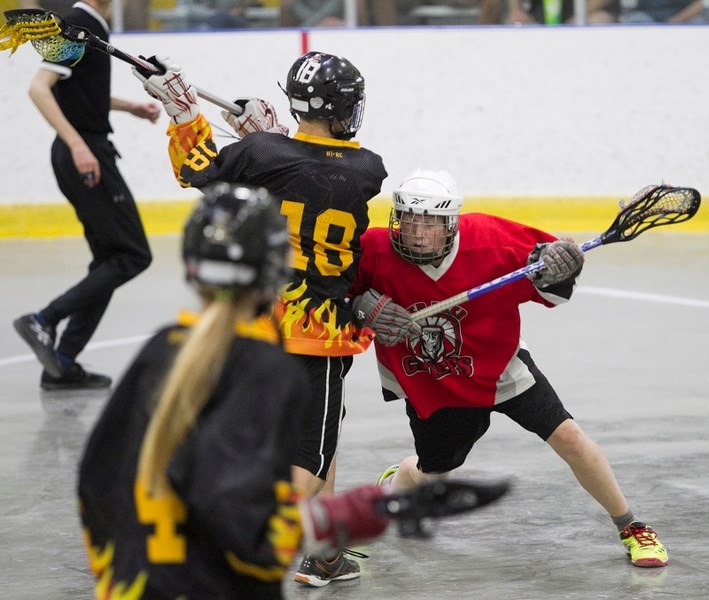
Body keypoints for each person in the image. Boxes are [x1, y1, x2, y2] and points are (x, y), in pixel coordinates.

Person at [131, 51, 387, 586]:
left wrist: (185, 116)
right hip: (318, 333)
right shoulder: (366, 169)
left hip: (261, 323)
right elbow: (315, 169)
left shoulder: (263, 154)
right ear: (343, 108)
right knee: (311, 459)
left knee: (318, 438)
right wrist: (268, 135)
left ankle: (325, 553)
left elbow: (200, 170)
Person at [77, 182, 397, 599]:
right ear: (275, 273)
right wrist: (340, 518)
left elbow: (97, 480)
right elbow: (245, 528)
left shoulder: (160, 349)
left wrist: (118, 579)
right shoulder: (268, 372)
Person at [349, 169, 669, 569]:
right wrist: (360, 305)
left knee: (568, 435)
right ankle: (395, 487)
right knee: (434, 473)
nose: (416, 232)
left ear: (450, 223)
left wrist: (561, 268)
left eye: (429, 223)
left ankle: (631, 526)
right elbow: (328, 287)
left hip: (501, 366)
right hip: (435, 381)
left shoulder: (489, 239)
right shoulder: (374, 248)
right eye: (408, 220)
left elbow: (551, 277)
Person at [12, 0, 159, 390]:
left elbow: (79, 89)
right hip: (85, 152)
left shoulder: (89, 25)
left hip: (87, 148)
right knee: (133, 255)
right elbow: (39, 88)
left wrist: (130, 107)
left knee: (110, 260)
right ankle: (43, 320)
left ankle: (61, 363)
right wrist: (78, 145)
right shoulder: (77, 24)